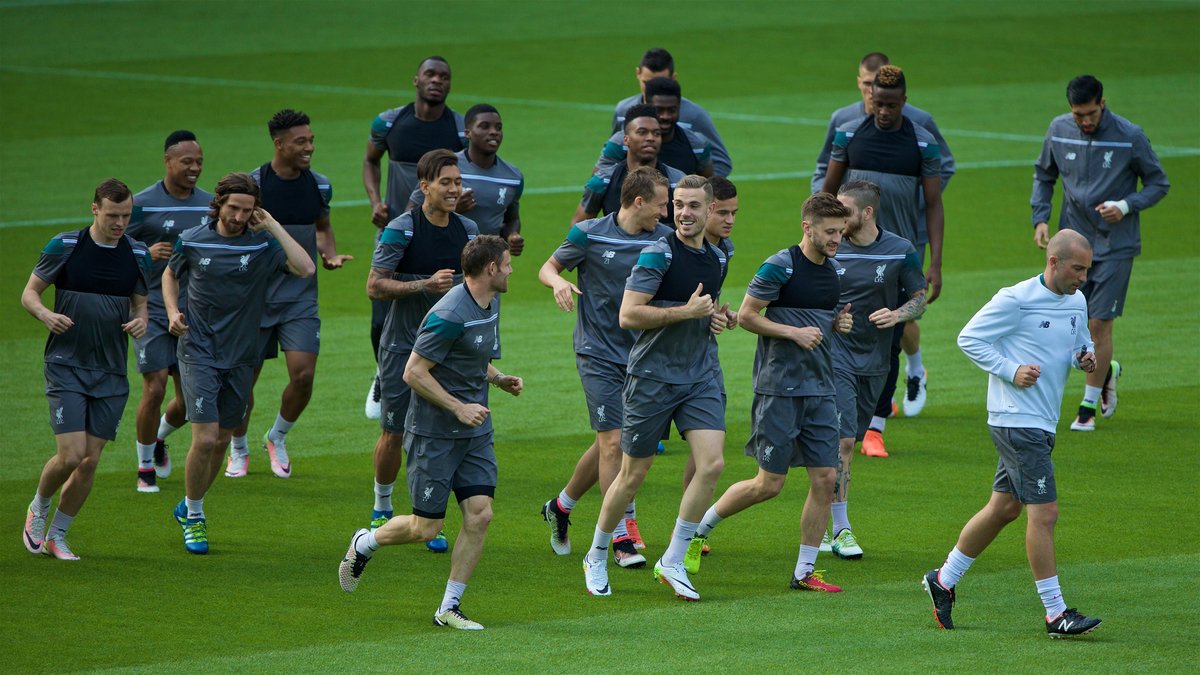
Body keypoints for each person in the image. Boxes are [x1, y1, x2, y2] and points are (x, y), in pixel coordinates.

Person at [923, 229, 1102, 638]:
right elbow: (969, 338)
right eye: (1078, 268)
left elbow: (1078, 341)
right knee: (1046, 513)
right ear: (1053, 262)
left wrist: (1084, 357)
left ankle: (943, 580)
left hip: (1040, 419)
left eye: (1087, 270)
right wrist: (1010, 369)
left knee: (1004, 508)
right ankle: (1056, 614)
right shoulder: (1015, 299)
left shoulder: (1076, 299)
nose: (1083, 277)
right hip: (1015, 419)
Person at [339, 235, 523, 632]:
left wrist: (499, 379)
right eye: (507, 263)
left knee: (481, 514)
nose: (511, 269)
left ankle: (449, 607)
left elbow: (474, 357)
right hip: (434, 433)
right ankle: (364, 544)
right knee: (427, 528)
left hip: (475, 430)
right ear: (491, 268)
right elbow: (413, 371)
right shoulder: (449, 314)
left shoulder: (491, 301)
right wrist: (458, 406)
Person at [581, 175, 737, 601]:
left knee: (712, 465)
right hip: (651, 377)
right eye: (679, 205)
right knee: (633, 475)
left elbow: (707, 309)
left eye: (694, 206)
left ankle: (673, 558)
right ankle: (596, 554)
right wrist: (687, 312)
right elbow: (629, 315)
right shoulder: (658, 253)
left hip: (701, 374)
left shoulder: (719, 255)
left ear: (709, 211)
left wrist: (719, 317)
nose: (685, 213)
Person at [687, 192, 852, 593]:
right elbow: (746, 316)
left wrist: (838, 325)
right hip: (780, 389)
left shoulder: (835, 271)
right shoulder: (780, 266)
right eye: (829, 232)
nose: (836, 240)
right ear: (806, 227)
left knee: (826, 478)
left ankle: (804, 572)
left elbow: (824, 319)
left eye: (841, 232)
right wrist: (792, 332)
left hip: (821, 388)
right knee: (769, 484)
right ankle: (698, 531)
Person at [163, 173, 315, 554]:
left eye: (247, 210)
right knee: (207, 437)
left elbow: (305, 268)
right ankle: (196, 516)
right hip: (198, 350)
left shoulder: (262, 243)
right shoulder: (194, 239)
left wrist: (274, 225)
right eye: (233, 208)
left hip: (242, 354)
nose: (238, 216)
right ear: (219, 204)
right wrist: (171, 311)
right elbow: (169, 273)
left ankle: (188, 504)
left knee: (224, 440)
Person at [538, 167, 673, 568]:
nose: (665, 214)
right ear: (638, 201)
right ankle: (619, 536)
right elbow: (547, 267)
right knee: (614, 442)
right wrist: (559, 283)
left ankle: (561, 506)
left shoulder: (665, 240)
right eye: (662, 204)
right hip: (597, 352)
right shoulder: (589, 233)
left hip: (644, 355)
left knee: (612, 443)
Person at [812, 52, 955, 423]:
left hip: (901, 250)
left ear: (905, 102)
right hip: (849, 250)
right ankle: (851, 409)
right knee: (845, 322)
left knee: (894, 328)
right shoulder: (848, 135)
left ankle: (876, 423)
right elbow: (827, 193)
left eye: (892, 105)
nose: (884, 111)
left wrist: (935, 264)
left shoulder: (923, 144)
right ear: (870, 97)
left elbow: (935, 205)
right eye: (878, 103)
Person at [1030, 75, 1169, 432]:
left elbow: (1158, 182)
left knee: (1098, 322)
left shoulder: (1129, 135)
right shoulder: (1059, 130)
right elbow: (1044, 175)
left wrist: (1126, 204)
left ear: (1102, 103)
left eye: (1090, 113)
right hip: (1073, 243)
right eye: (1078, 115)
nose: (1084, 121)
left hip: (1115, 244)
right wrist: (1040, 218)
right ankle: (1107, 372)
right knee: (1066, 323)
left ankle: (1087, 408)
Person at [22, 178, 150, 560]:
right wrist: (46, 314)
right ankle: (39, 507)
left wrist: (141, 320)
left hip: (110, 371)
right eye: (113, 215)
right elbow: (29, 293)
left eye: (126, 216)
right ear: (94, 208)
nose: (119, 223)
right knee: (72, 454)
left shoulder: (138, 254)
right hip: (67, 363)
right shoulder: (65, 246)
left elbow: (140, 304)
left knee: (91, 460)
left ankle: (58, 536)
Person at [366, 149, 480, 554]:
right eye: (445, 182)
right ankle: (382, 508)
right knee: (394, 432)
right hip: (402, 347)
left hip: (448, 350)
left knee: (442, 432)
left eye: (457, 181)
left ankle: (428, 514)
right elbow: (374, 285)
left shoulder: (467, 228)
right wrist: (422, 286)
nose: (454, 189)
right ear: (424, 186)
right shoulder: (402, 229)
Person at [227, 109, 351, 479]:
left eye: (311, 140)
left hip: (299, 297)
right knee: (242, 381)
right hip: (254, 299)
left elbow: (323, 226)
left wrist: (328, 254)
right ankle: (238, 447)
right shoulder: (251, 186)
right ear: (278, 144)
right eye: (301, 141)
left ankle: (276, 437)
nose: (309, 147)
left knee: (303, 376)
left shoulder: (320, 185)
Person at [823, 180, 926, 559]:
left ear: (867, 213)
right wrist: (832, 321)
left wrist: (897, 314)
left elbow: (919, 299)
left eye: (844, 211)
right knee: (844, 441)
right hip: (836, 356)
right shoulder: (829, 247)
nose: (837, 219)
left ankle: (819, 517)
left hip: (877, 361)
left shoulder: (900, 251)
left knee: (843, 440)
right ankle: (841, 528)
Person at [363, 56, 466, 420]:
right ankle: (384, 370)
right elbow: (370, 161)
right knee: (381, 319)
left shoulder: (459, 128)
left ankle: (426, 371)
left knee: (440, 306)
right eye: (430, 75)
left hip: (439, 230)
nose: (437, 81)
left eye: (444, 77)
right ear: (416, 80)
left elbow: (464, 173)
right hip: (397, 229)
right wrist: (376, 200)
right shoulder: (390, 122)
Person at [127, 131, 212, 493]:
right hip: (153, 307)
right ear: (167, 161)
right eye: (186, 162)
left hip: (194, 310)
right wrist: (146, 254)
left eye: (199, 162)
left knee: (189, 400)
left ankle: (160, 436)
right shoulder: (142, 204)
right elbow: (115, 248)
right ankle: (145, 466)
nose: (194, 168)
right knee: (154, 385)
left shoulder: (210, 204)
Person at [406, 103, 526, 255]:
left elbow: (511, 219)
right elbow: (411, 213)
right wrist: (452, 209)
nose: (494, 132)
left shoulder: (513, 177)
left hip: (487, 263)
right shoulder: (443, 167)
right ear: (467, 133)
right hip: (441, 255)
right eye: (485, 126)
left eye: (498, 127)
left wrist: (512, 235)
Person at [612, 47, 731, 176]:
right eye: (647, 82)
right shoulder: (623, 110)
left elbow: (721, 161)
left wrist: (699, 189)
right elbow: (614, 156)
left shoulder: (695, 115)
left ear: (673, 78)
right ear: (638, 73)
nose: (654, 87)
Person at [572, 104, 685, 226]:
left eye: (656, 133)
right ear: (626, 139)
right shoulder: (603, 181)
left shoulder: (678, 181)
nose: (651, 138)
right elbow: (579, 226)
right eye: (642, 132)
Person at [595, 77, 714, 177]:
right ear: (646, 104)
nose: (665, 116)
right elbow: (596, 184)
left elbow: (708, 191)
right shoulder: (620, 143)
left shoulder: (697, 145)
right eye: (659, 110)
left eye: (672, 110)